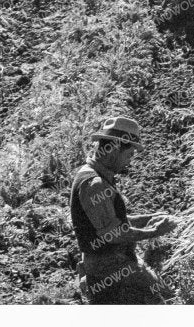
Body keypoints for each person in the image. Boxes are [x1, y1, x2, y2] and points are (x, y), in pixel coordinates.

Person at [71, 116, 174, 304]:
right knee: (164, 297)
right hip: (108, 267)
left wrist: (150, 217)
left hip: (115, 259)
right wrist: (153, 232)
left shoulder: (97, 175)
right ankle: (93, 284)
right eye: (129, 155)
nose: (129, 162)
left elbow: (115, 221)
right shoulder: (95, 184)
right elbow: (114, 234)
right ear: (115, 150)